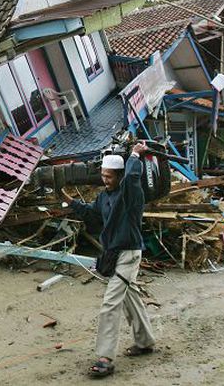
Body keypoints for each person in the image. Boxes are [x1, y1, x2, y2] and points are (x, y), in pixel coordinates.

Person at [61, 142, 156, 378]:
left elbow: (133, 177)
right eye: (103, 176)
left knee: (110, 303)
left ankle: (105, 357)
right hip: (114, 255)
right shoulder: (104, 198)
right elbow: (93, 214)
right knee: (130, 296)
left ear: (120, 176)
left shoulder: (131, 194)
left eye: (110, 177)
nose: (105, 180)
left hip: (129, 254)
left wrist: (135, 155)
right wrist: (71, 202)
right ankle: (145, 342)